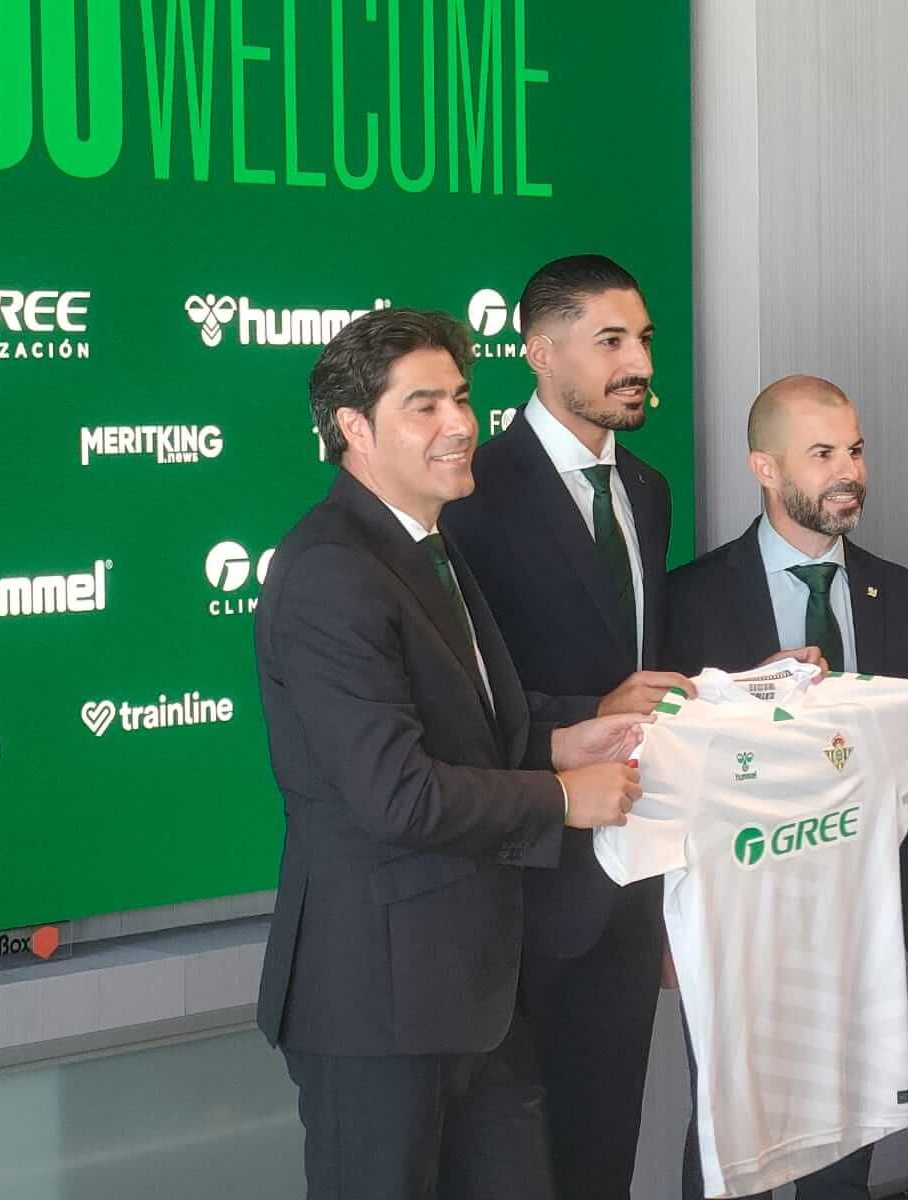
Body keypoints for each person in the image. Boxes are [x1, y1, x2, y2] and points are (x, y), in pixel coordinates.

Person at [253, 307, 644, 1200]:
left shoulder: (426, 544)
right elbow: (397, 794)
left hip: (474, 992)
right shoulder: (329, 571)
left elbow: (461, 727)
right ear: (353, 429)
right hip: (374, 1005)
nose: (461, 425)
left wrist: (561, 739)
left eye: (462, 398)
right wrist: (562, 797)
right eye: (423, 406)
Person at [663, 373, 908, 1199]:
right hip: (739, 923)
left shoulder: (901, 593)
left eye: (856, 449)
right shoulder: (687, 600)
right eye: (823, 453)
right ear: (764, 469)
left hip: (856, 924)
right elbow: (660, 762)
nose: (849, 471)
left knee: (846, 1149)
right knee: (729, 1140)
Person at [441, 253, 693, 1200]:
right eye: (611, 342)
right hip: (515, 889)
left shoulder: (651, 491)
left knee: (603, 1153)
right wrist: (589, 718)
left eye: (644, 341)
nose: (638, 363)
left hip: (629, 882)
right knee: (506, 1167)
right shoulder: (470, 494)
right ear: (541, 352)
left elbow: (651, 676)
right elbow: (459, 704)